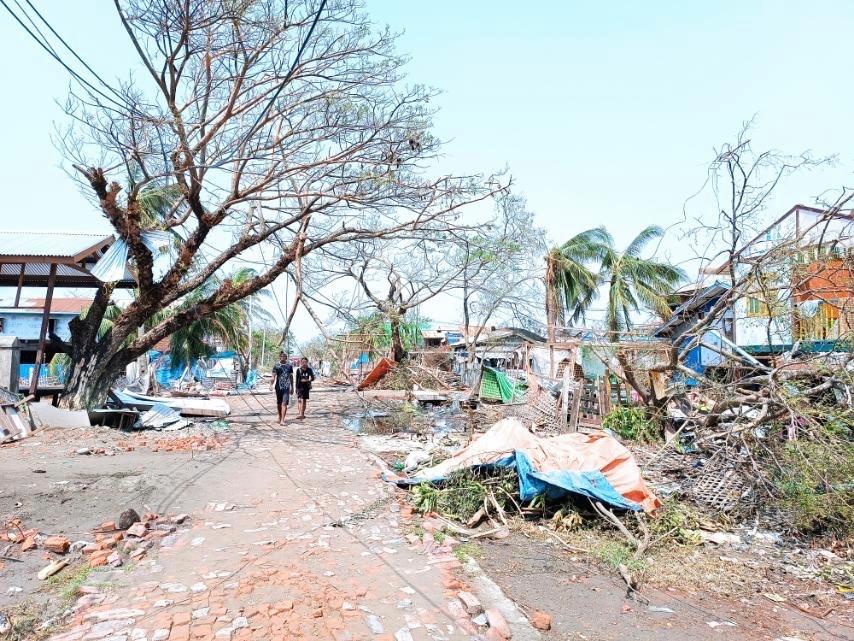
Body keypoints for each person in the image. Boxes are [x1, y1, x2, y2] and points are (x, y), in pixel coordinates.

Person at [270, 351, 294, 424]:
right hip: (278, 387)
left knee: (284, 403)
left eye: (284, 356)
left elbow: (291, 376)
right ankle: (280, 417)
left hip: (286, 387)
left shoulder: (289, 366)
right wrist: (271, 385)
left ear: (286, 358)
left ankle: (282, 420)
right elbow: (273, 376)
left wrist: (292, 387)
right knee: (279, 403)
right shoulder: (276, 366)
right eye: (281, 356)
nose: (283, 357)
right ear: (279, 357)